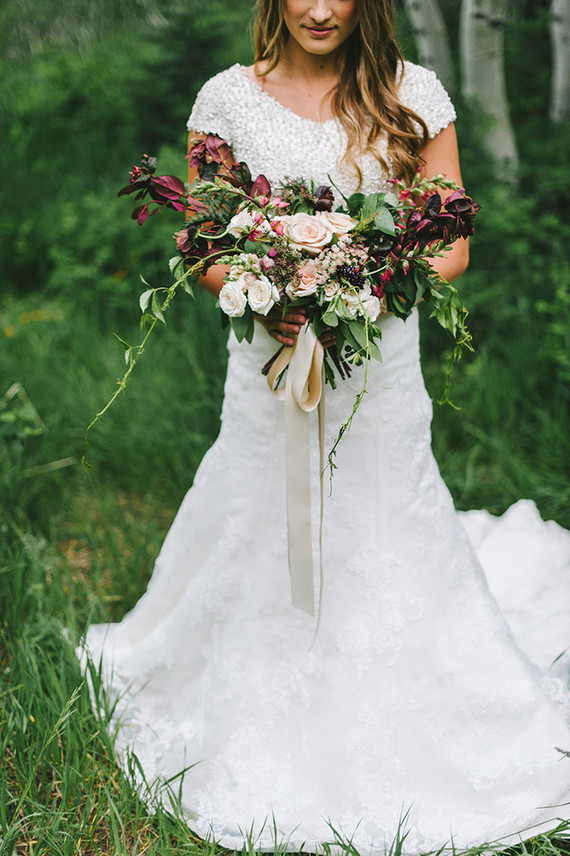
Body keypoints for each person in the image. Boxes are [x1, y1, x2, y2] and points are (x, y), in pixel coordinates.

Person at [82, 0, 570, 852]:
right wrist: (269, 292)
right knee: (258, 511)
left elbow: (452, 244)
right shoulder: (226, 100)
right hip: (266, 368)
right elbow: (204, 242)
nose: (318, 9)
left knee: (381, 519)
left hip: (378, 369)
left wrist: (360, 289)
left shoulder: (413, 94)